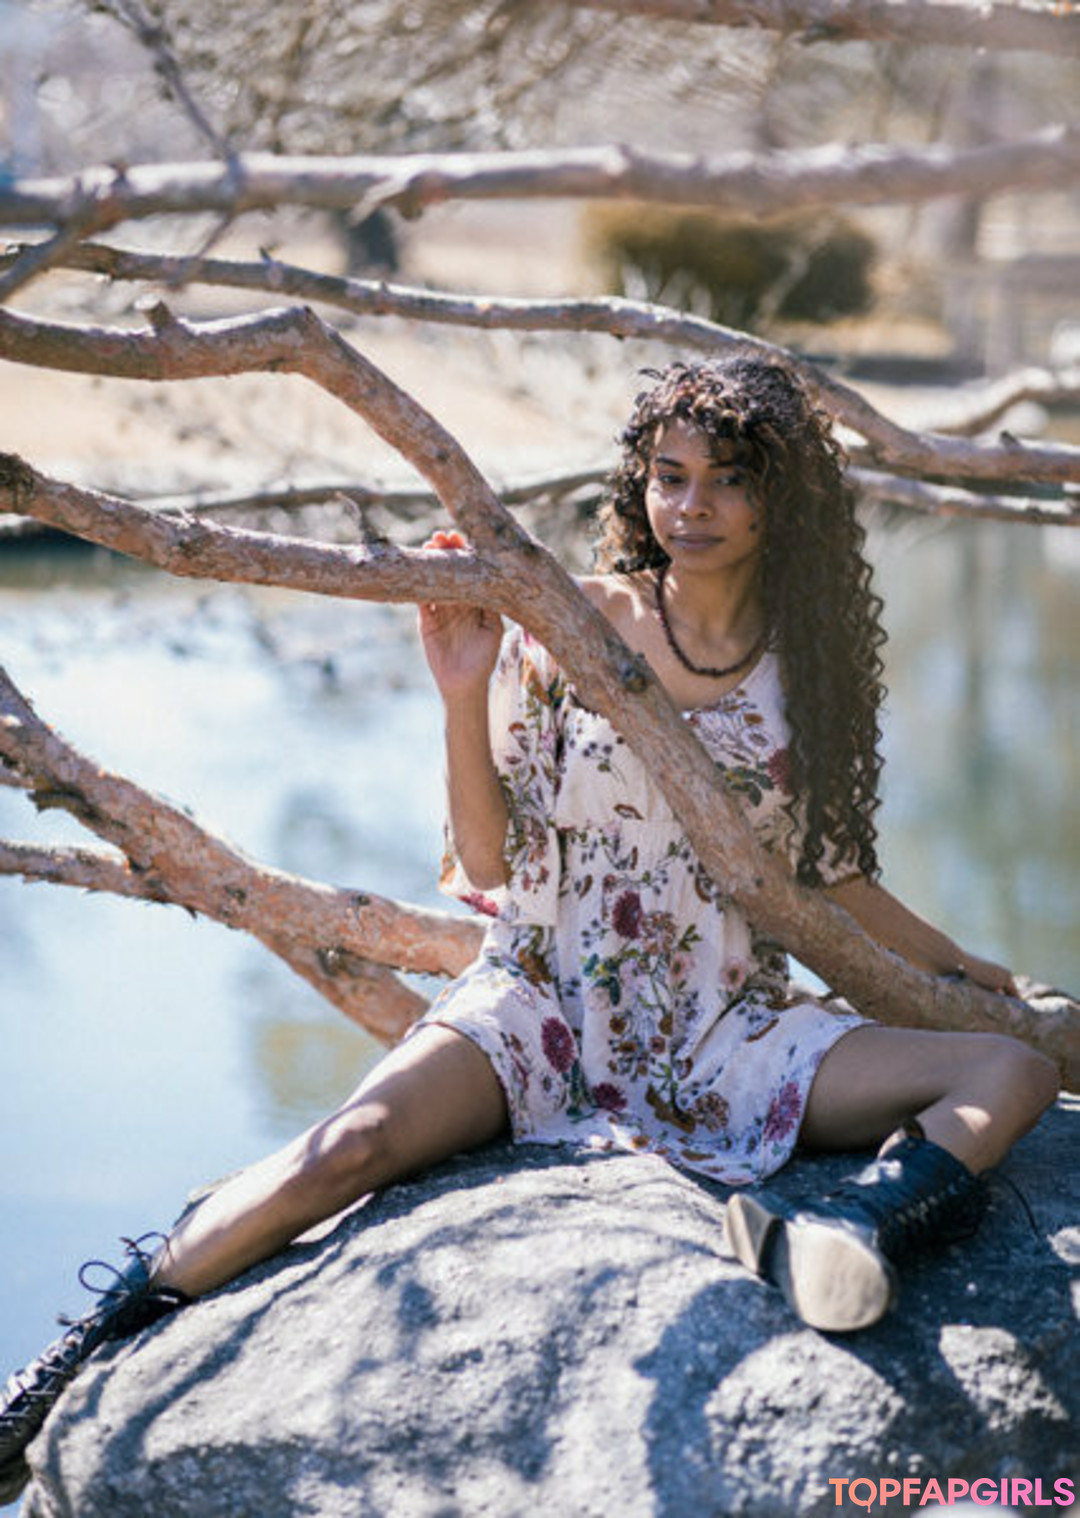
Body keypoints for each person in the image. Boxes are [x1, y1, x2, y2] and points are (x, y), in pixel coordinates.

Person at [0, 354, 1059, 1496]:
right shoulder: (575, 622)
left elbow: (829, 877)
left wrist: (958, 963)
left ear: (781, 497)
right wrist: (462, 690)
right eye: (670, 475)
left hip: (724, 1035)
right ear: (641, 484)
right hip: (539, 1008)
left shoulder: (809, 673)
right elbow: (489, 860)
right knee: (349, 1148)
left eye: (728, 479)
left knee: (1011, 1067)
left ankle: (853, 1234)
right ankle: (65, 1370)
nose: (692, 505)